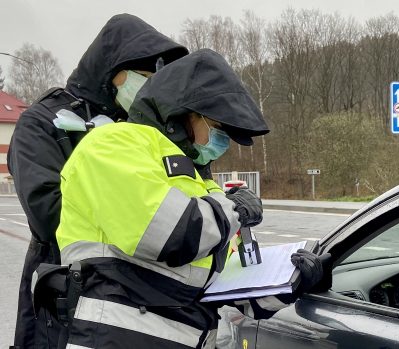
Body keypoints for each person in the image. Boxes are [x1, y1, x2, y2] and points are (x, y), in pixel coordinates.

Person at [42, 48, 325, 349]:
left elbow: (217, 287)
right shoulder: (112, 143)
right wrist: (236, 209)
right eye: (218, 129)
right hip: (117, 338)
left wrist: (286, 285)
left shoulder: (197, 181)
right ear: (184, 112)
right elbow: (170, 234)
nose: (222, 143)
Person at [7, 14, 189, 349]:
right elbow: (49, 215)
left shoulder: (137, 128)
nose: (148, 87)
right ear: (112, 70)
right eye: (143, 77)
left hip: (130, 296)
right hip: (64, 290)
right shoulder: (43, 123)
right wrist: (139, 218)